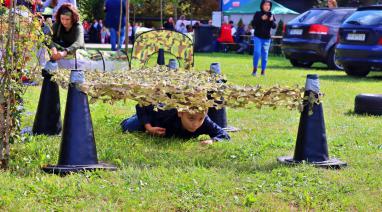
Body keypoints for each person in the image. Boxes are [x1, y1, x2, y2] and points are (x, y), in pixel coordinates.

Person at [121, 105, 230, 145]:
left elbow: (224, 135)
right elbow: (142, 105)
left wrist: (212, 141)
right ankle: (135, 118)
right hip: (153, 118)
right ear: (180, 113)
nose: (195, 124)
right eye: (191, 118)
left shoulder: (205, 121)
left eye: (200, 119)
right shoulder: (167, 111)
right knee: (129, 127)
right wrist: (148, 127)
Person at [251, 0, 276, 76]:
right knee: (257, 52)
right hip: (258, 37)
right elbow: (253, 24)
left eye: (268, 5)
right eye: (265, 5)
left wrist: (271, 21)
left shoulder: (271, 14)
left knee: (265, 55)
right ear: (262, 5)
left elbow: (274, 26)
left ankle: (263, 71)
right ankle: (255, 69)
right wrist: (261, 18)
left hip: (267, 38)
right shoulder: (258, 13)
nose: (267, 6)